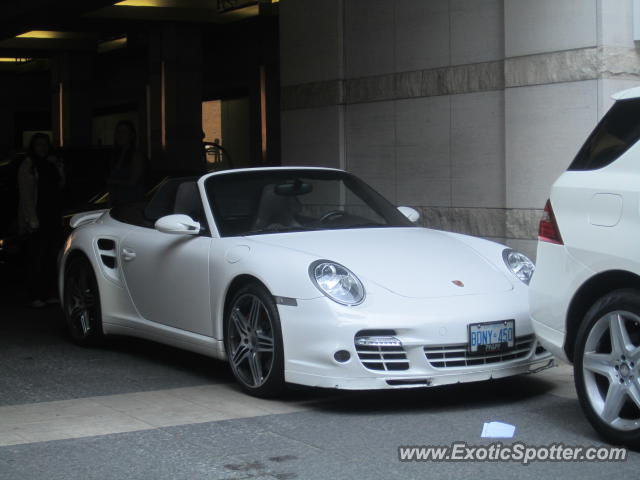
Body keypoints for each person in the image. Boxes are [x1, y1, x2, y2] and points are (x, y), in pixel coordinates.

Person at [17, 133, 64, 308]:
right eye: (38, 145)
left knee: (51, 255)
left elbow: (60, 185)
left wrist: (59, 168)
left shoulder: (53, 163)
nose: (42, 148)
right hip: (38, 215)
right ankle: (36, 294)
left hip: (53, 214)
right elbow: (26, 195)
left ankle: (48, 292)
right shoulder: (29, 165)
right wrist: (31, 219)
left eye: (45, 144)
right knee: (37, 255)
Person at [107, 120, 146, 207]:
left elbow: (133, 182)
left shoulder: (136, 155)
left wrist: (113, 181)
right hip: (117, 203)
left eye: (124, 132)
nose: (120, 135)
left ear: (131, 135)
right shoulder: (115, 155)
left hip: (132, 203)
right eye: (118, 132)